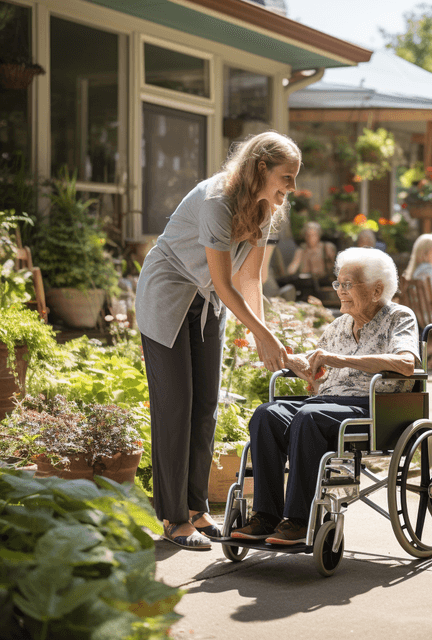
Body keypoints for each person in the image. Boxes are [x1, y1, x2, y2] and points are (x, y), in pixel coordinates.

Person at [135, 131, 301, 550]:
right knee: (176, 406)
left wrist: (268, 336)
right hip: (168, 293)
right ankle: (173, 518)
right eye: (287, 177)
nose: (292, 188)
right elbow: (227, 283)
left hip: (207, 300)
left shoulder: (267, 209)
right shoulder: (217, 202)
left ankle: (195, 507)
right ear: (260, 167)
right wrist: (260, 335)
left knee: (206, 403)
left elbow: (250, 279)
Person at [231, 248, 420, 544]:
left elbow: (407, 364)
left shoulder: (398, 317)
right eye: (338, 284)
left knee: (309, 417)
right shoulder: (337, 326)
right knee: (266, 414)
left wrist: (339, 360)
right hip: (325, 404)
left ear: (376, 290)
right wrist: (296, 364)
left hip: (371, 406)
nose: (340, 291)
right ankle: (266, 515)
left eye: (348, 284)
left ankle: (299, 520)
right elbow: (316, 370)